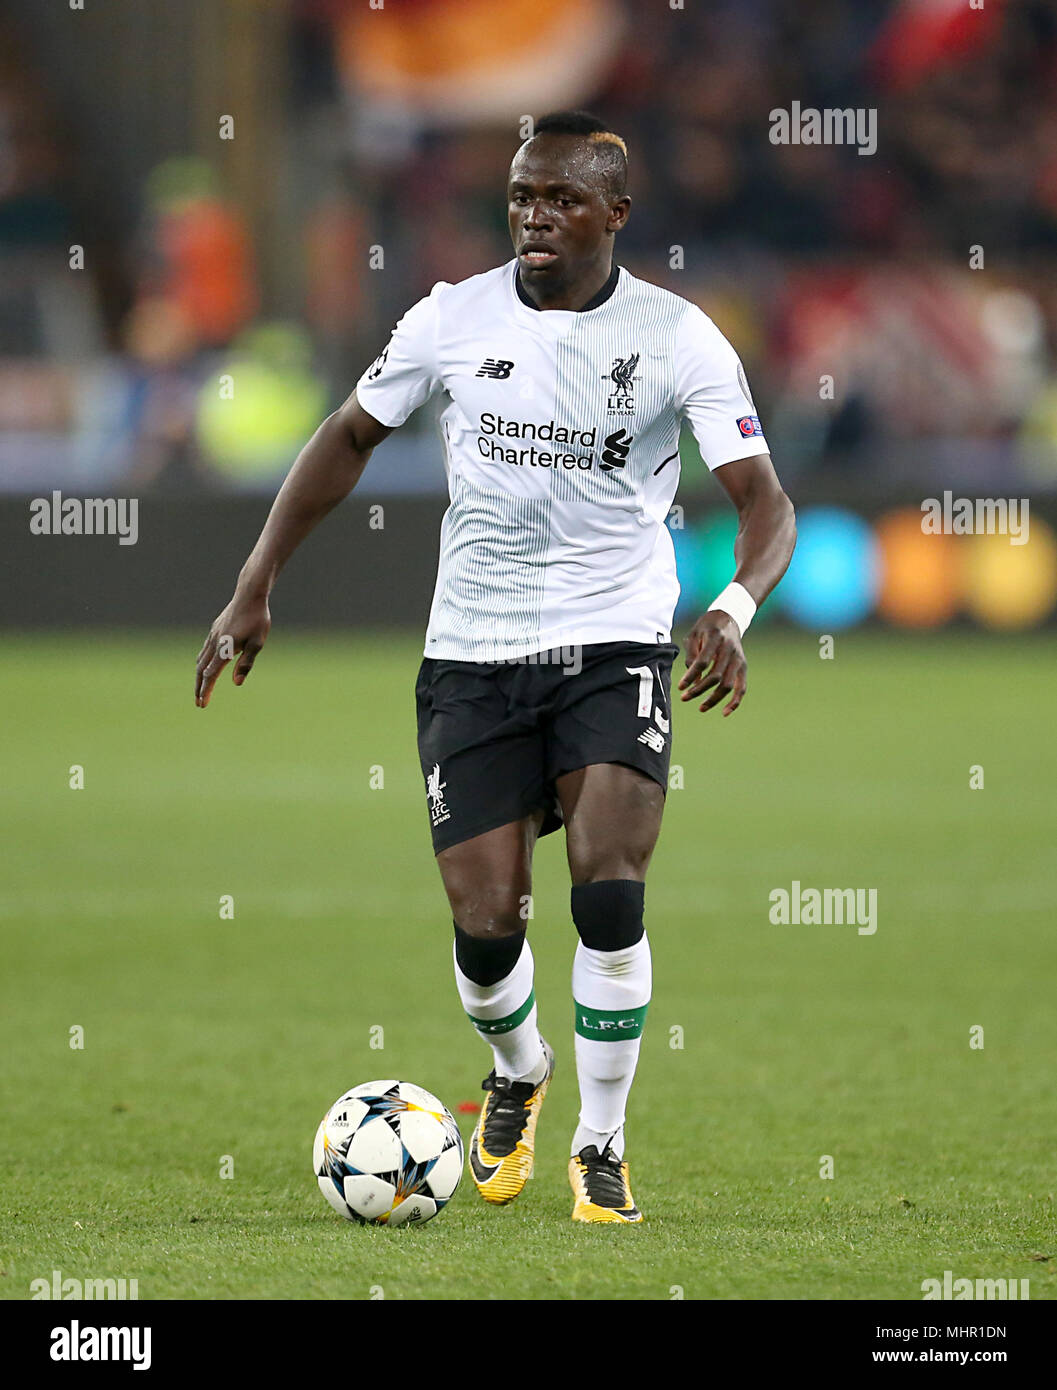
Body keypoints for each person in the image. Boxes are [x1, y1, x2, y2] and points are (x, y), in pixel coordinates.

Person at [195, 110, 796, 1224]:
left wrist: (731, 607)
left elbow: (765, 502)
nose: (533, 216)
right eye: (521, 195)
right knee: (487, 926)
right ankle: (518, 1066)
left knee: (610, 885)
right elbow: (345, 437)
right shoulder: (448, 318)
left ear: (614, 213)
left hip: (613, 642)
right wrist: (256, 579)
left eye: (560, 199)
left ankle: (602, 1142)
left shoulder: (678, 338)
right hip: (470, 654)